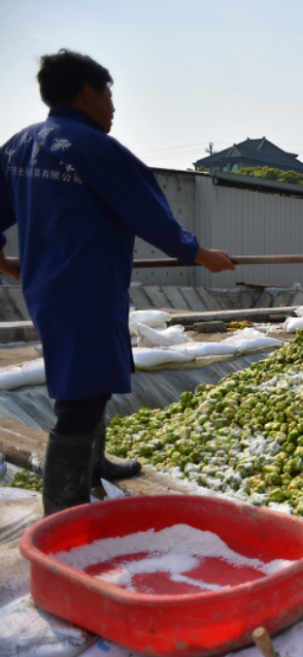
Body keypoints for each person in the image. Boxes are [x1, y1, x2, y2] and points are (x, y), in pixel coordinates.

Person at [0, 50, 235, 515]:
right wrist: (201, 255)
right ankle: (63, 505)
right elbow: (150, 215)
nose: (113, 106)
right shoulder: (94, 149)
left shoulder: (18, 146)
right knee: (80, 395)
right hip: (86, 287)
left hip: (46, 287)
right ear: (88, 91)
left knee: (92, 377)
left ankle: (95, 464)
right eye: (108, 94)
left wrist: (6, 264)